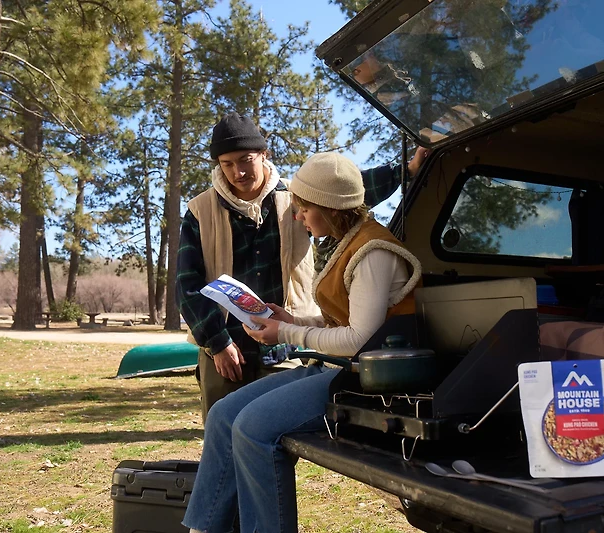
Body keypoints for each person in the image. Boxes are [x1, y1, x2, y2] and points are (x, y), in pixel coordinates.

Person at [183, 152, 422, 533]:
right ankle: (205, 528)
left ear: (329, 208)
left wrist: (287, 333)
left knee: (253, 429)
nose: (297, 217)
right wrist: (293, 319)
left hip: (365, 382)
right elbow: (342, 320)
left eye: (303, 208)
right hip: (334, 368)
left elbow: (360, 340)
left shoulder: (373, 253)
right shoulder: (348, 242)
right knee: (223, 415)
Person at [176, 112, 429, 421]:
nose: (238, 172)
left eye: (245, 160)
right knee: (221, 425)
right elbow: (187, 285)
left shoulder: (297, 198)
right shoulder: (199, 211)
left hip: (285, 344)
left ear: (264, 154)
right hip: (227, 347)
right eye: (227, 164)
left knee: (272, 438)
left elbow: (348, 192)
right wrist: (217, 343)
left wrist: (408, 169)